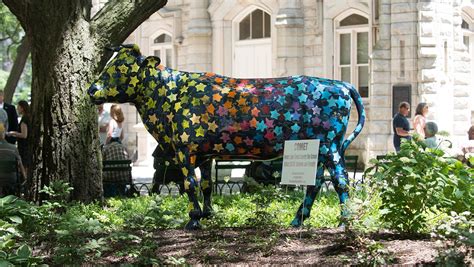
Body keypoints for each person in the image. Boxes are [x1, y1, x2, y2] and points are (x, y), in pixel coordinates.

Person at [0, 123, 26, 196]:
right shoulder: (13, 148)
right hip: (11, 179)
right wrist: (25, 178)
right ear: (4, 134)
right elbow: (20, 165)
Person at [7, 100, 31, 171]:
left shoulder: (24, 120)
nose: (17, 109)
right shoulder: (28, 117)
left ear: (22, 108)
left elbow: (24, 135)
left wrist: (12, 133)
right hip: (26, 145)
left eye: (18, 107)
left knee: (23, 165)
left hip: (24, 146)